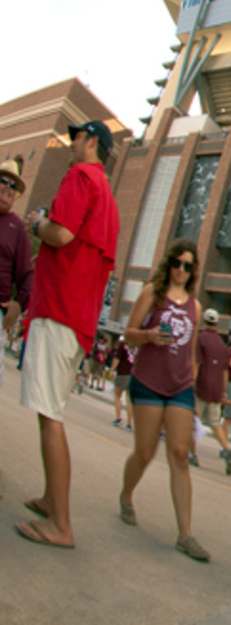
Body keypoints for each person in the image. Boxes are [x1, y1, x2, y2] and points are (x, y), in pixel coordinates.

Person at [17, 119, 119, 550]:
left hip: (58, 308)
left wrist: (36, 224)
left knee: (49, 416)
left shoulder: (80, 176)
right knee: (51, 409)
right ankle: (50, 499)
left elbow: (61, 233)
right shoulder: (109, 196)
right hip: (76, 315)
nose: (73, 143)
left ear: (91, 141)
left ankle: (60, 523)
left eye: (77, 137)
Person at [118, 238, 209, 561]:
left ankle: (185, 534)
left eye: (188, 265)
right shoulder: (152, 294)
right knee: (145, 451)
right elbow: (128, 332)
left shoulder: (194, 307)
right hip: (148, 381)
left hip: (180, 386)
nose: (181, 270)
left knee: (180, 453)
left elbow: (192, 350)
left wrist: (193, 386)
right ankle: (127, 495)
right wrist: (149, 335)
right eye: (177, 263)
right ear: (169, 264)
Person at [193, 307, 231, 471]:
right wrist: (223, 390)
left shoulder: (201, 339)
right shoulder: (221, 344)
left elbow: (197, 364)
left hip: (201, 386)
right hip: (216, 388)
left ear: (204, 321)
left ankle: (192, 454)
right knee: (215, 423)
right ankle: (227, 450)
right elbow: (225, 369)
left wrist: (191, 383)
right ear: (217, 323)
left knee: (193, 420)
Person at [0, 157, 33, 355]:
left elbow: (28, 273)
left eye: (13, 185)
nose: (8, 187)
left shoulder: (17, 228)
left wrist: (19, 304)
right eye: (3, 180)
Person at [108, 335, 135, 429]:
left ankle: (119, 417)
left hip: (123, 372)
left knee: (117, 395)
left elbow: (117, 358)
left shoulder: (123, 344)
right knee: (129, 400)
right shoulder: (139, 345)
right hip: (134, 375)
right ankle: (129, 423)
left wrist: (112, 370)